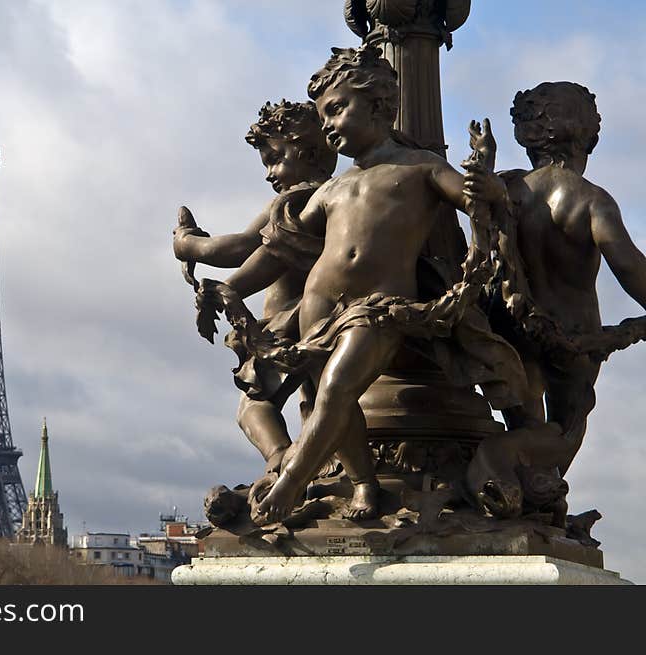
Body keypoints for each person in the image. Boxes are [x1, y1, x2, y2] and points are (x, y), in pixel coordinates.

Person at [198, 45, 520, 523]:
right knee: (333, 401)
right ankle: (364, 482)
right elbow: (281, 249)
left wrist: (486, 183)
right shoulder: (330, 189)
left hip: (379, 307)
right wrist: (230, 287)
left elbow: (476, 201)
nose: (327, 125)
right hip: (317, 306)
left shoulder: (421, 167)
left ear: (381, 106)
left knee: (335, 390)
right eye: (323, 115)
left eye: (336, 109)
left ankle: (289, 484)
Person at [485, 82, 646, 475]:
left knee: (528, 427)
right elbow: (628, 268)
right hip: (575, 340)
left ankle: (520, 492)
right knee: (564, 436)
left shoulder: (506, 189)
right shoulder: (590, 200)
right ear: (587, 136)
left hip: (512, 331)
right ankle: (504, 467)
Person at [173, 100, 337, 478]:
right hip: (315, 320)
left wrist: (188, 244)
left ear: (309, 152)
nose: (269, 173)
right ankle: (317, 462)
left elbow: (243, 247)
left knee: (252, 408)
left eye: (275, 159)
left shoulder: (296, 202)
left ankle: (282, 459)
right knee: (315, 404)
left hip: (290, 325)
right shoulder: (329, 198)